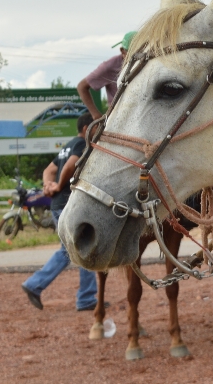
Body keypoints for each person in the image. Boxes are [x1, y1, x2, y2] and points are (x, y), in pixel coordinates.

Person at [21, 114, 98, 312]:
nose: (101, 130)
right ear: (87, 128)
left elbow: (49, 169)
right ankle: (83, 297)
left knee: (76, 248)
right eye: (98, 126)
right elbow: (71, 165)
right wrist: (58, 185)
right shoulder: (82, 144)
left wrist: (48, 184)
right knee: (78, 249)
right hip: (68, 203)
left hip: (58, 204)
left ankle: (85, 296)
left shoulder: (69, 144)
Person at [77, 32, 134, 121]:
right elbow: (81, 86)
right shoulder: (110, 66)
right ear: (123, 51)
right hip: (119, 118)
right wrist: (95, 115)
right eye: (133, 52)